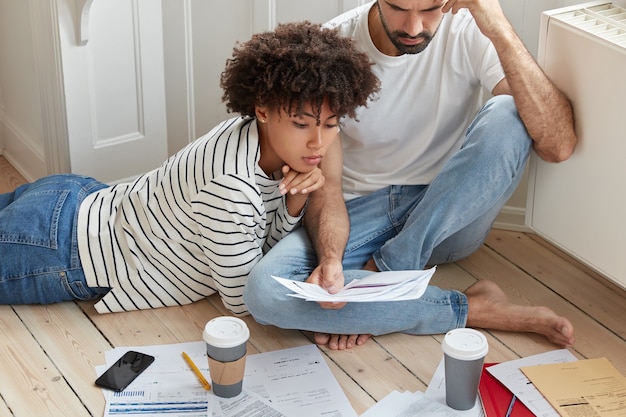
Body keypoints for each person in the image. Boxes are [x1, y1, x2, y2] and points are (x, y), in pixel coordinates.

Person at [243, 0, 578, 350]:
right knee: (264, 292)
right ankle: (472, 308)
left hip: (448, 214)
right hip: (357, 216)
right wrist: (330, 260)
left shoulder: (469, 30)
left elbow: (559, 146)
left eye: (431, 8)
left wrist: (498, 26)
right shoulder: (333, 48)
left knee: (510, 111)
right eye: (399, 8)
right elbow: (328, 186)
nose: (414, 27)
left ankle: (390, 274)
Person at [0, 22, 380, 315]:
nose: (318, 142)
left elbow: (259, 228)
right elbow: (243, 299)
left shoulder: (250, 138)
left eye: (331, 125)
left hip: (76, 198)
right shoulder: (230, 187)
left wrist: (296, 202)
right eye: (301, 124)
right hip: (58, 249)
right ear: (262, 109)